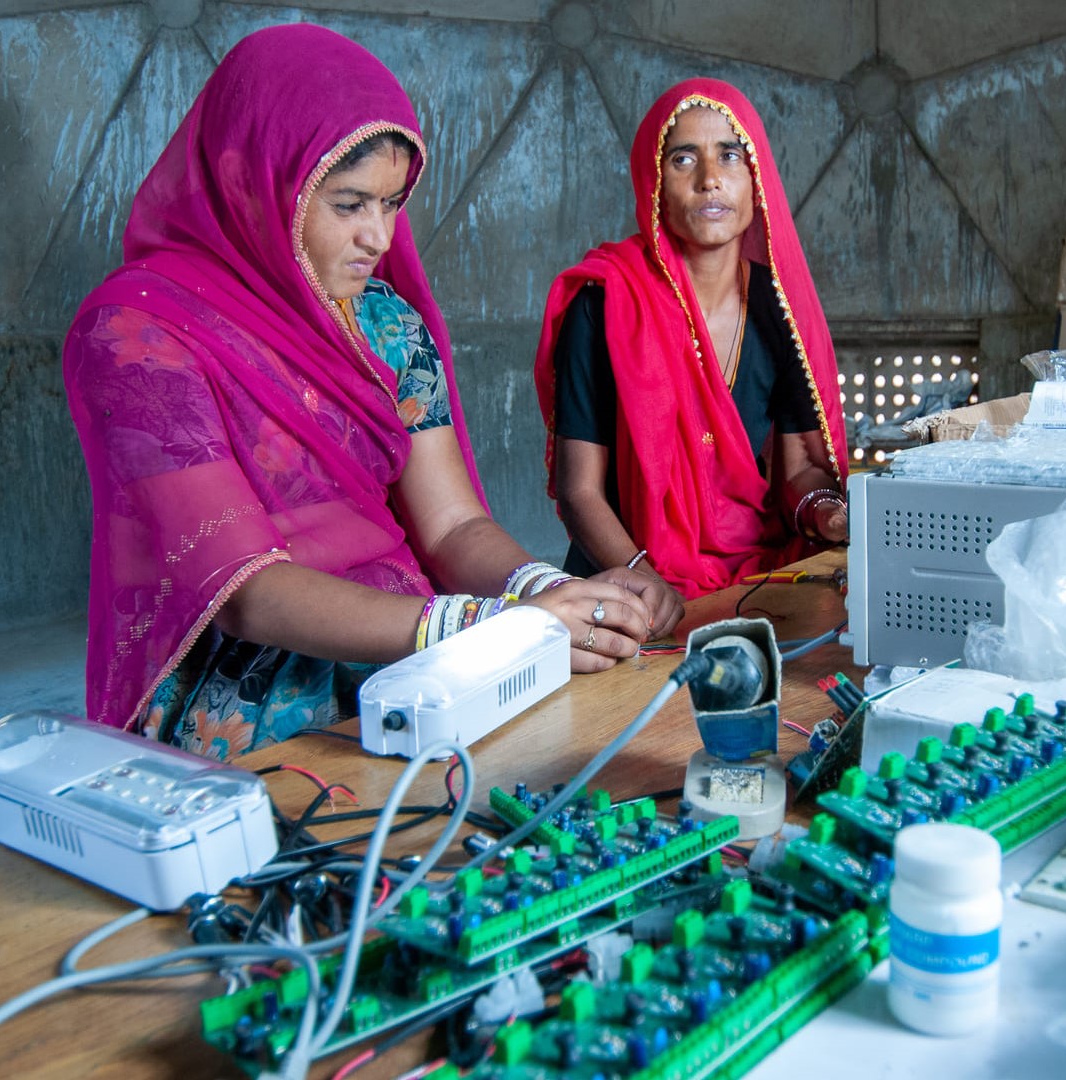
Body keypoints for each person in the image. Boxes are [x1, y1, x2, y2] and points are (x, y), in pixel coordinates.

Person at [63, 25, 661, 760]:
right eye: (349, 204)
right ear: (251, 181)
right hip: (250, 691)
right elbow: (248, 591)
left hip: (420, 647)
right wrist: (487, 627)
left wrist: (540, 590)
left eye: (392, 203)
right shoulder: (137, 336)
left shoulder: (385, 324)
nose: (379, 237)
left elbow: (449, 527)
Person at [534, 78, 851, 629]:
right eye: (684, 159)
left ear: (757, 179)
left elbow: (800, 468)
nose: (710, 180)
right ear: (653, 181)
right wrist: (642, 576)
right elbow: (579, 489)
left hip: (753, 583)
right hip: (629, 585)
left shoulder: (780, 308)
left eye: (730, 155)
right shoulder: (606, 300)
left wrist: (828, 514)